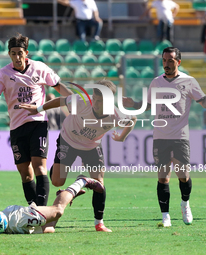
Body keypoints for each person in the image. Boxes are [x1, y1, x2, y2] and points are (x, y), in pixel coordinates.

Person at [20, 79, 137, 232]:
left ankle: (99, 223)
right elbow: (61, 100)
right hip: (68, 140)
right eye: (94, 98)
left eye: (100, 100)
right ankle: (71, 189)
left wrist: (122, 137)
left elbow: (132, 120)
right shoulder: (81, 101)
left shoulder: (115, 114)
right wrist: (39, 108)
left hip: (91, 146)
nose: (95, 102)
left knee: (99, 183)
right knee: (57, 181)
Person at [0, 33, 73, 207]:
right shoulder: (3, 74)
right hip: (16, 127)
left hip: (38, 122)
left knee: (39, 167)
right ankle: (33, 208)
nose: (17, 57)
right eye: (13, 53)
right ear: (9, 54)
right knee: (25, 172)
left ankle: (42, 211)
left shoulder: (39, 68)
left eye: (20, 53)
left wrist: (75, 100)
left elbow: (59, 87)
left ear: (26, 53)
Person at [123, 47, 206, 227]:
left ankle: (185, 203)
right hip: (160, 137)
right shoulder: (156, 82)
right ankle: (165, 216)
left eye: (170, 61)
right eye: (164, 60)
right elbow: (147, 105)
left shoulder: (189, 81)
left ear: (178, 62)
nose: (166, 64)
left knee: (184, 176)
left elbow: (204, 103)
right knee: (163, 178)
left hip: (181, 137)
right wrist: (133, 104)